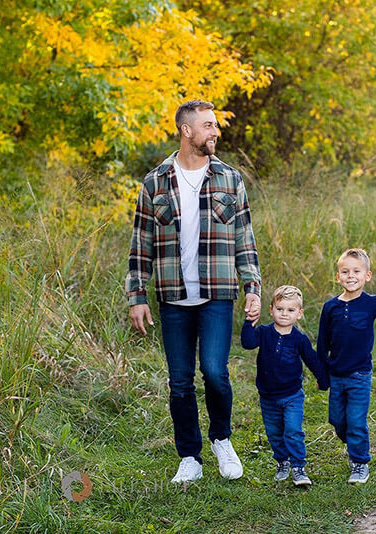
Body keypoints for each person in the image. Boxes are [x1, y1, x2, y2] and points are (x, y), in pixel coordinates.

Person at [125, 100, 261, 483]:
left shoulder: (230, 179)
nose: (215, 131)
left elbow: (244, 239)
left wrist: (252, 287)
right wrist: (137, 296)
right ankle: (190, 456)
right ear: (187, 131)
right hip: (173, 298)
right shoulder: (154, 183)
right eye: (208, 125)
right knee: (180, 380)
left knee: (215, 373)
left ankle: (221, 439)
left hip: (217, 293)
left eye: (215, 125)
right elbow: (140, 244)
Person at [317, 248, 376, 484]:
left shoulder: (371, 303)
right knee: (337, 420)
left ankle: (359, 462)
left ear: (367, 276)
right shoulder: (330, 307)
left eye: (356, 271)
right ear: (338, 276)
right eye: (345, 271)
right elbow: (322, 342)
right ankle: (352, 442)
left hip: (359, 374)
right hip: (336, 374)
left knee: (356, 421)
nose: (350, 276)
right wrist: (322, 373)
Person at [240, 285, 329, 487]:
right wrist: (249, 322)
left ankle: (298, 467)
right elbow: (247, 343)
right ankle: (282, 462)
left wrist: (323, 380)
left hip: (292, 395)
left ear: (299, 314)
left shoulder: (300, 339)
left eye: (290, 310)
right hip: (268, 396)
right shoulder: (264, 332)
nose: (284, 314)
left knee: (292, 430)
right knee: (274, 432)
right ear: (271, 309)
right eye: (280, 309)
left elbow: (312, 360)